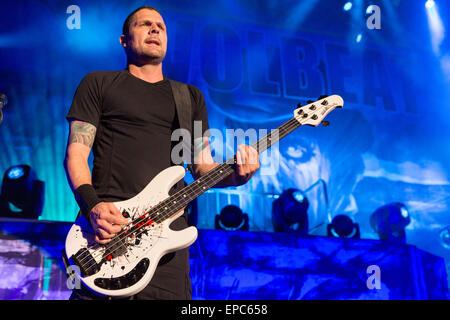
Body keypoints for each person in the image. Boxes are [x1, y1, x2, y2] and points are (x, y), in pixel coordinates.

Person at [63, 5, 260, 300]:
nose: (155, 29)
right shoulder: (98, 83)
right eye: (144, 24)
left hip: (165, 248)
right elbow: (76, 155)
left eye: (161, 26)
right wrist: (93, 207)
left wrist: (237, 177)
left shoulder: (189, 97)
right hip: (103, 234)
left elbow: (202, 168)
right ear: (124, 40)